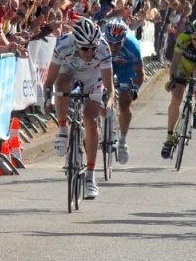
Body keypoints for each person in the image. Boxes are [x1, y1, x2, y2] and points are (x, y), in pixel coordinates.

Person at [43, 18, 114, 199]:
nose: (90, 52)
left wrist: (107, 103)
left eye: (93, 49)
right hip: (70, 72)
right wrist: (46, 99)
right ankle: (62, 128)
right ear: (76, 43)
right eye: (85, 49)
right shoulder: (64, 45)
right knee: (61, 83)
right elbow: (49, 81)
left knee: (90, 119)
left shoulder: (104, 49)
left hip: (93, 77)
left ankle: (90, 176)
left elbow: (109, 87)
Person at [161, 17, 196, 159]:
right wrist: (172, 79)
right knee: (176, 99)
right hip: (183, 66)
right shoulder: (183, 38)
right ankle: (169, 138)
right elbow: (175, 60)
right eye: (195, 39)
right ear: (190, 35)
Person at [103, 19, 145, 164]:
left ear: (124, 39)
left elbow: (140, 74)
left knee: (124, 105)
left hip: (126, 69)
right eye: (111, 43)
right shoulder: (100, 44)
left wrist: (134, 88)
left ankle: (122, 140)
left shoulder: (132, 47)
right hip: (108, 65)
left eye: (118, 44)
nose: (114, 47)